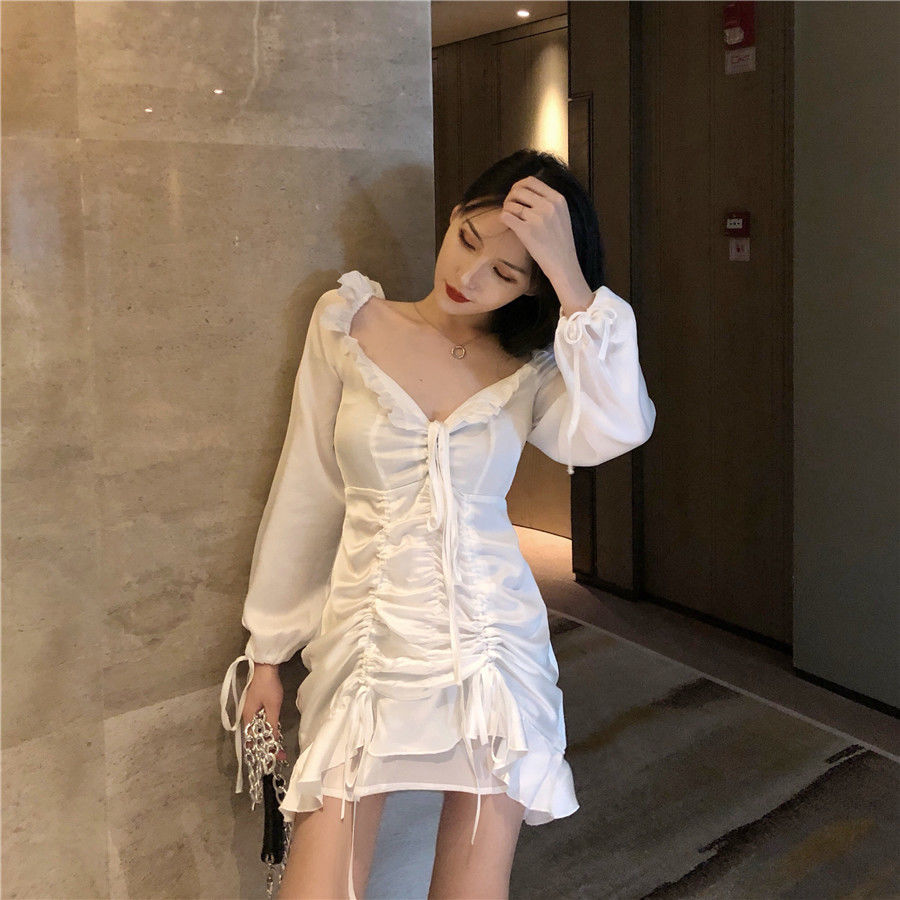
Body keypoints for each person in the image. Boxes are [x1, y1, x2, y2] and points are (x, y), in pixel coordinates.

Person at [219, 148, 657, 899]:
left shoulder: (536, 367)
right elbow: (309, 487)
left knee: (472, 887)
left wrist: (572, 283)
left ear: (532, 288)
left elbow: (617, 428)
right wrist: (267, 651)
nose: (470, 275)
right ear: (453, 217)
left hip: (494, 649)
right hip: (368, 645)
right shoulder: (349, 321)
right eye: (468, 240)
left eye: (506, 273)